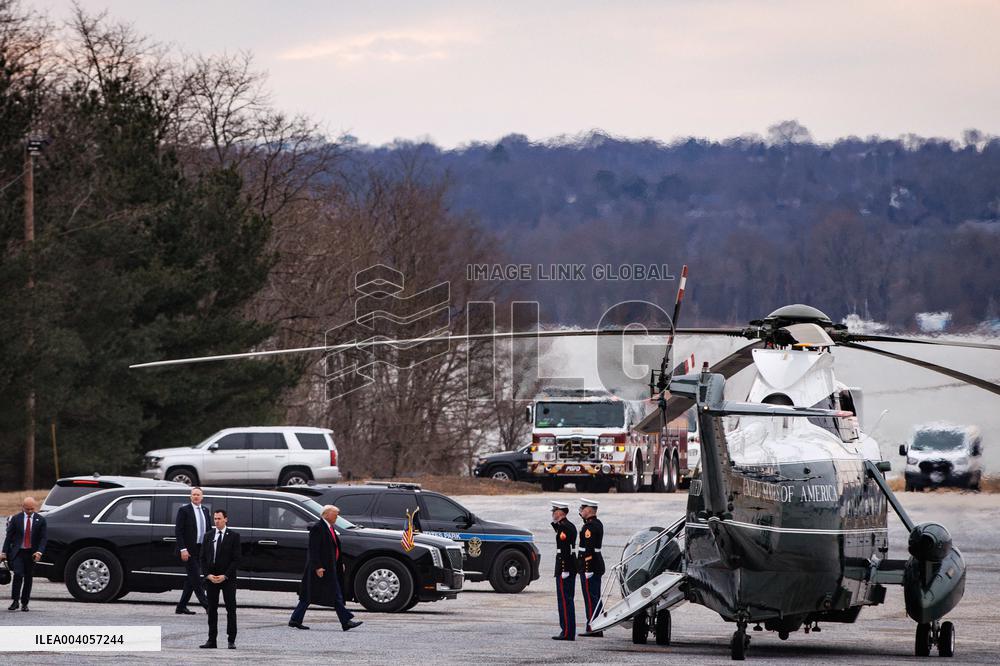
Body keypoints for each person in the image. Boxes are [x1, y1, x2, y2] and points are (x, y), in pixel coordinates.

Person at [289, 505, 362, 632]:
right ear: (326, 514)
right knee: (331, 595)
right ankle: (346, 621)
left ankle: (295, 619)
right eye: (335, 514)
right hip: (321, 569)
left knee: (311, 596)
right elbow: (314, 550)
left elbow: (334, 549)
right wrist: (318, 567)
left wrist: (339, 563)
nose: (337, 517)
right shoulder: (318, 528)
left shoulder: (330, 528)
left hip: (330, 567)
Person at [200, 509, 241, 650]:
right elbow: (202, 558)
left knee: (231, 609)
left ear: (226, 519)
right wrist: (208, 575)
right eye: (215, 518)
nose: (216, 521)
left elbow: (236, 559)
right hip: (212, 578)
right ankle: (212, 640)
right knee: (212, 609)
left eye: (219, 518)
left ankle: (231, 640)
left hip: (227, 578)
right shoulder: (208, 536)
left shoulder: (234, 536)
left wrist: (225, 575)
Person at [1, 497, 47, 612]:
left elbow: (43, 538)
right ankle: (15, 601)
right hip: (18, 552)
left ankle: (25, 603)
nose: (30, 511)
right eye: (27, 509)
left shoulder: (40, 520)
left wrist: (39, 551)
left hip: (32, 553)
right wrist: (4, 552)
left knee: (28, 578)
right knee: (18, 574)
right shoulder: (16, 519)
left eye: (32, 509)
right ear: (23, 507)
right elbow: (9, 537)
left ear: (35, 508)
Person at [174, 487, 210, 615]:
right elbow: (178, 531)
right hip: (188, 550)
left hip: (201, 549)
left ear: (202, 497)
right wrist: (183, 549)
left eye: (198, 495)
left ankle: (181, 607)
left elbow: (209, 531)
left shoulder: (205, 511)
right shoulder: (184, 510)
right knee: (196, 579)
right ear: (190, 497)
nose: (196, 497)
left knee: (191, 580)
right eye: (193, 494)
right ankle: (207, 606)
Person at [577, 498, 605, 636]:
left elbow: (589, 550)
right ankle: (597, 625)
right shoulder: (596, 523)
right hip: (596, 565)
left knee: (590, 597)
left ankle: (594, 627)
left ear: (588, 510)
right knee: (594, 596)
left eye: (583, 508)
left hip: (591, 566)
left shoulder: (589, 527)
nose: (581, 511)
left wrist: (587, 569)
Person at [550, 500, 577, 641]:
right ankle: (567, 630)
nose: (552, 514)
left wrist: (564, 569)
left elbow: (565, 550)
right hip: (567, 566)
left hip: (564, 567)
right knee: (566, 599)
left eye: (554, 511)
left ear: (560, 512)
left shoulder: (565, 528)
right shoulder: (566, 526)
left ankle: (567, 632)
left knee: (565, 601)